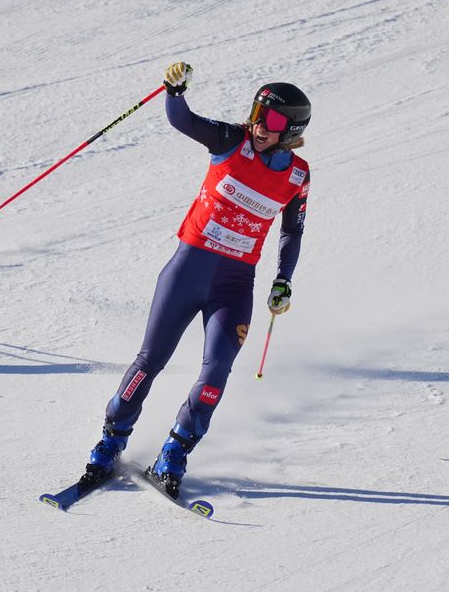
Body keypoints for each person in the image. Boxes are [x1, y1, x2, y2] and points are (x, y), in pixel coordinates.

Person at [79, 62, 311, 498]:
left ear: (292, 129)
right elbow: (182, 120)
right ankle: (111, 441)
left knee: (217, 370)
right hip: (188, 270)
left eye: (274, 121)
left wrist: (284, 280)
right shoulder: (231, 140)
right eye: (258, 113)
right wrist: (175, 91)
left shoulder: (298, 175)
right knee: (150, 360)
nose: (261, 125)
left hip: (234, 285)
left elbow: (292, 231)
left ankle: (176, 451)